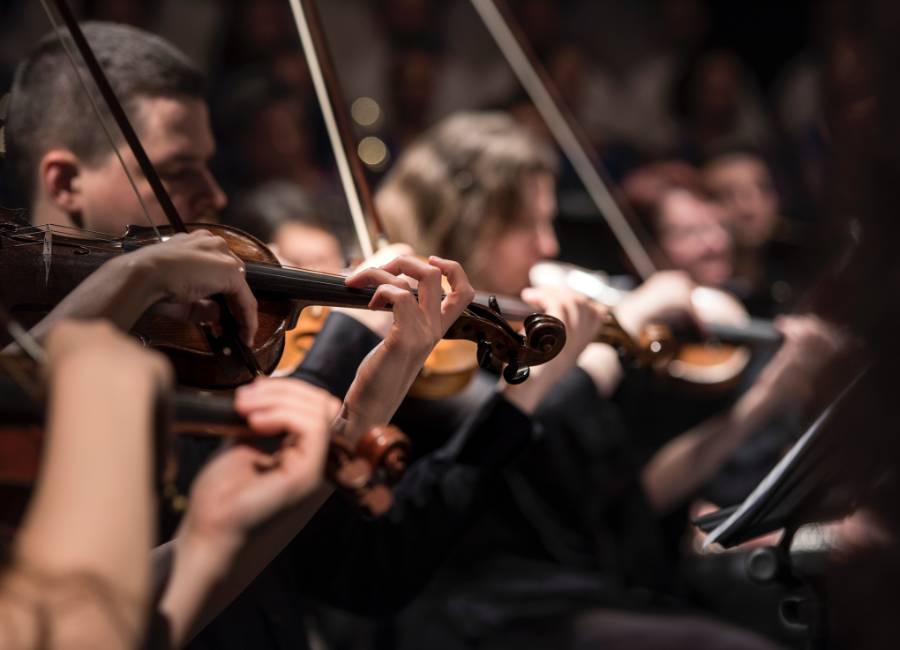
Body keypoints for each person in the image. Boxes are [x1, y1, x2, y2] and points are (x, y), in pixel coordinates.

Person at [375, 111, 842, 648]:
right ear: (471, 222)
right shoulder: (425, 347)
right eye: (530, 224)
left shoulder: (512, 330)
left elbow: (623, 497)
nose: (548, 246)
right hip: (479, 609)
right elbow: (508, 439)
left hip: (573, 588)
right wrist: (621, 330)